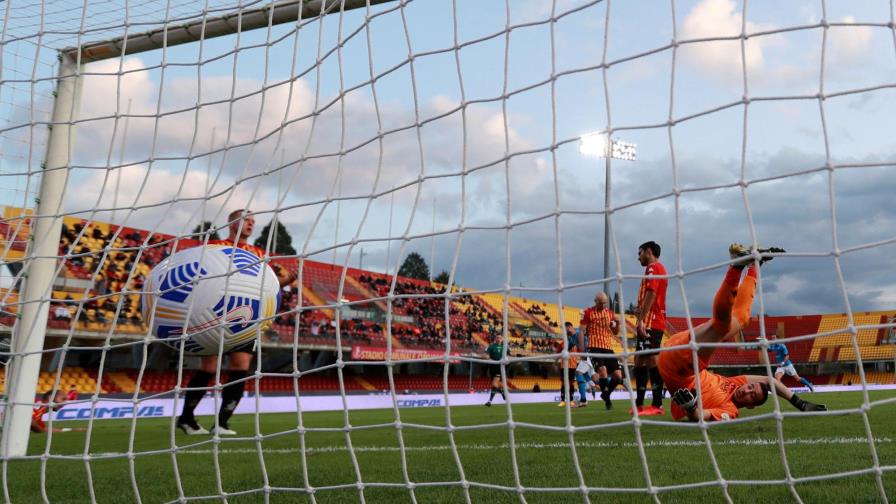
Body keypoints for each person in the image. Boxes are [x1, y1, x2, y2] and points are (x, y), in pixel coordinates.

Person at [662, 244, 825, 422]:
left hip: (679, 369)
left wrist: (690, 407)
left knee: (723, 325)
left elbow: (699, 417)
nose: (747, 390)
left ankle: (737, 266)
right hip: (683, 348)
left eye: (751, 395)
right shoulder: (736, 383)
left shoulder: (730, 410)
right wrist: (799, 403)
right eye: (751, 388)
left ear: (750, 405)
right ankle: (752, 266)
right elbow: (770, 381)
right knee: (741, 318)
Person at [176, 209, 298, 436]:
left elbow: (267, 286)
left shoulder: (259, 254)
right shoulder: (215, 246)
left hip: (246, 317)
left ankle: (222, 423)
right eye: (246, 220)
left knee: (241, 366)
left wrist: (285, 281)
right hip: (215, 314)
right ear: (232, 223)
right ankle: (186, 419)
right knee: (209, 367)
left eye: (253, 221)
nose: (251, 224)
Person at [633, 241, 667, 416]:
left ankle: (657, 403)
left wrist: (641, 319)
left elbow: (652, 293)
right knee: (639, 359)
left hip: (651, 321)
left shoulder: (653, 268)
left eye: (639, 253)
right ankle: (639, 404)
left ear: (648, 251)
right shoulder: (656, 269)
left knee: (651, 359)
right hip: (650, 319)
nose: (638, 257)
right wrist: (640, 309)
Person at [580, 292, 626, 410]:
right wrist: (582, 351)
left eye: (605, 303)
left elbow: (615, 332)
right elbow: (581, 332)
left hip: (608, 347)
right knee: (603, 371)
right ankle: (607, 401)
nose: (603, 305)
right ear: (595, 301)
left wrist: (618, 323)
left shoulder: (610, 313)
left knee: (618, 376)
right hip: (594, 347)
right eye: (601, 303)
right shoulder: (588, 313)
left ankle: (605, 394)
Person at [558, 322, 580, 407]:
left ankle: (571, 400)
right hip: (564, 365)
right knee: (563, 383)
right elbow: (558, 352)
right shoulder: (562, 343)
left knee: (571, 383)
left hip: (572, 365)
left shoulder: (576, 342)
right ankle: (562, 400)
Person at [484, 334, 508, 407]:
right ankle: (502, 393)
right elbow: (486, 355)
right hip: (492, 366)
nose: (498, 339)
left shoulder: (504, 347)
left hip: (499, 367)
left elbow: (509, 355)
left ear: (502, 339)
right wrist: (488, 358)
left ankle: (490, 401)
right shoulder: (491, 346)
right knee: (496, 384)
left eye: (500, 338)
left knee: (494, 384)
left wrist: (506, 359)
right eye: (497, 338)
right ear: (495, 339)